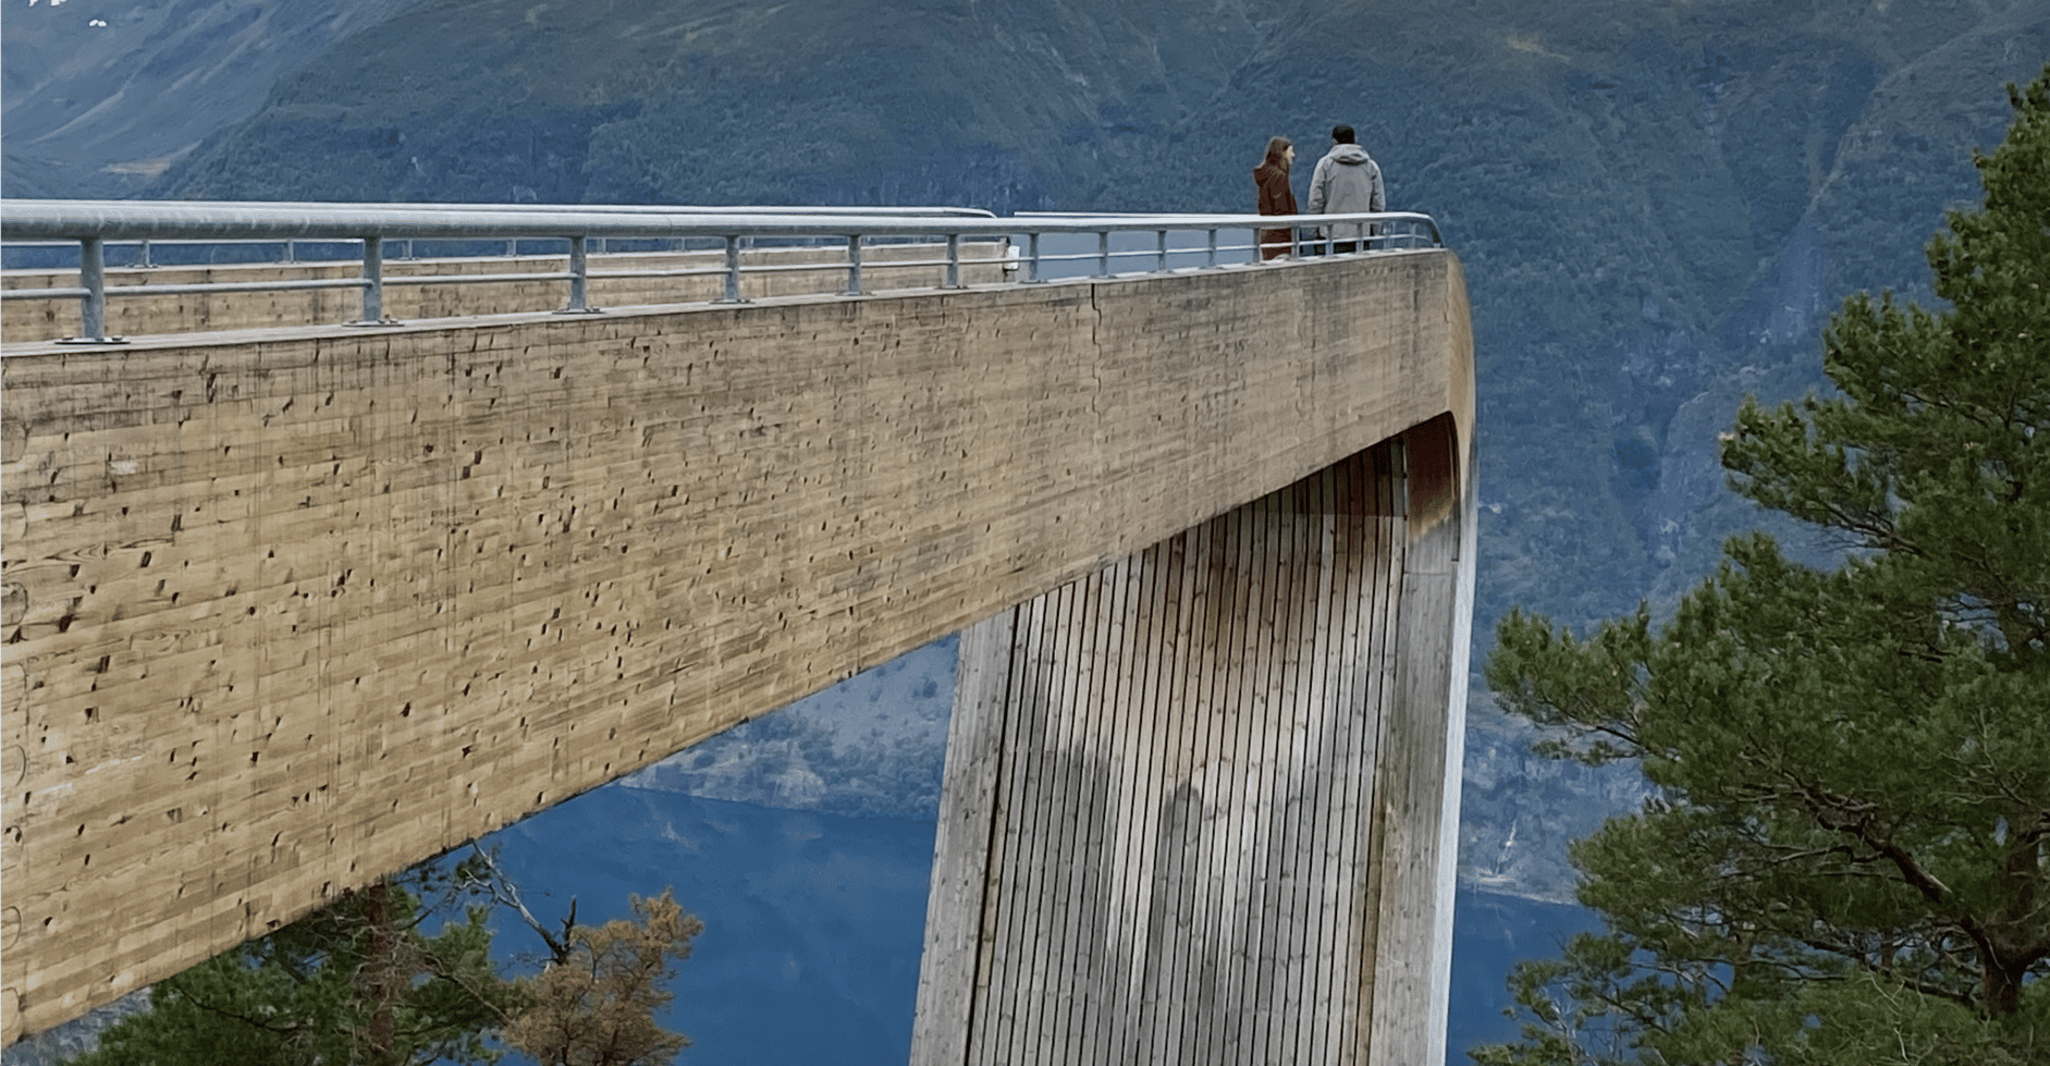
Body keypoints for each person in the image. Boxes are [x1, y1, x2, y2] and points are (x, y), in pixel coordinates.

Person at [1306, 124, 1384, 254]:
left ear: (1334, 142)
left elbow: (1315, 200)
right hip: (1361, 235)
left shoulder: (1325, 165)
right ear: (1355, 140)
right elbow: (1378, 203)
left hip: (1329, 235)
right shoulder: (1371, 166)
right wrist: (1373, 231)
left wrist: (1314, 232)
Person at [1253, 136, 1298, 261]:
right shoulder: (1279, 178)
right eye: (1291, 151)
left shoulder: (1268, 176)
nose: (1293, 155)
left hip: (1267, 233)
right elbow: (1281, 208)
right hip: (1280, 237)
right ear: (1282, 153)